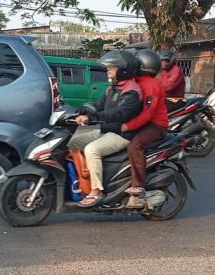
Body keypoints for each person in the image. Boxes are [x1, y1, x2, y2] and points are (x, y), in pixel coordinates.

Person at [70, 49, 144, 207]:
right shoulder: (113, 88)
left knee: (92, 149)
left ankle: (97, 191)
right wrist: (78, 110)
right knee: (72, 143)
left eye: (111, 68)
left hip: (122, 134)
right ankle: (80, 181)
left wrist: (91, 118)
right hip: (107, 129)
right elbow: (98, 105)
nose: (108, 71)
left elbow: (117, 114)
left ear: (123, 70)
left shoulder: (132, 91)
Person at [123, 49, 169, 198]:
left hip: (156, 126)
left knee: (135, 145)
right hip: (144, 123)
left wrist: (129, 126)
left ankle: (138, 185)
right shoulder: (135, 82)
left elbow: (148, 113)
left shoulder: (150, 84)